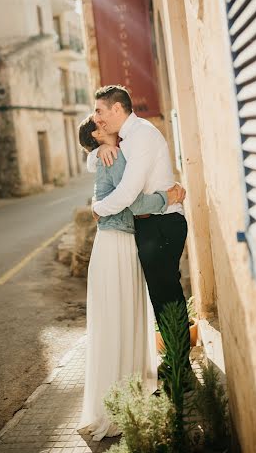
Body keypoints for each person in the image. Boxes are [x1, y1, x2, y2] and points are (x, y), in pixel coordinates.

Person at [77, 115, 183, 441]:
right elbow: (134, 202)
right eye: (99, 122)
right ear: (97, 136)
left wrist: (96, 158)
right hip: (117, 244)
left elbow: (104, 193)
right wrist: (170, 197)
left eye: (103, 115)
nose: (105, 121)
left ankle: (124, 389)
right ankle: (120, 397)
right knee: (119, 316)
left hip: (117, 243)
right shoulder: (112, 157)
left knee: (121, 316)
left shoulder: (109, 153)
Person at [87, 85, 190, 367]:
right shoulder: (124, 139)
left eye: (100, 111)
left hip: (162, 223)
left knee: (167, 298)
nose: (97, 117)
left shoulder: (141, 135)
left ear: (117, 109)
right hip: (149, 226)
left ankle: (180, 370)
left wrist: (97, 208)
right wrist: (100, 151)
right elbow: (93, 160)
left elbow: (128, 194)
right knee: (161, 298)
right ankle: (176, 365)